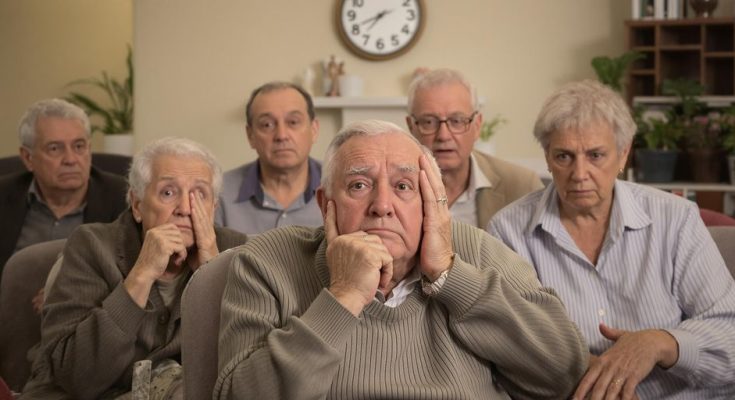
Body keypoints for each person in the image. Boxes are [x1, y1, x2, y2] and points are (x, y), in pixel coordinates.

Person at [214, 120, 588, 399]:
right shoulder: (267, 261)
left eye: (403, 186)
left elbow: (562, 373)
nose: (381, 206)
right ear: (326, 203)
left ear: (432, 201)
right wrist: (343, 297)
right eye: (359, 185)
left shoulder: (475, 249)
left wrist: (450, 276)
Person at [488, 80, 735, 399]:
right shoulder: (508, 232)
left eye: (595, 155)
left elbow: (730, 332)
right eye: (564, 156)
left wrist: (659, 343)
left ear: (623, 154)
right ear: (547, 157)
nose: (579, 173)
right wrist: (593, 373)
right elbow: (509, 345)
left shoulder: (676, 219)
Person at [21, 137, 248, 399]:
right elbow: (77, 376)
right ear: (137, 205)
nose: (185, 209)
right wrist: (141, 274)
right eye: (168, 192)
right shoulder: (91, 246)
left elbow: (240, 369)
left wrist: (212, 274)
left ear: (213, 208)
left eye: (199, 195)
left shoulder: (235, 250)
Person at [0, 98, 127, 277]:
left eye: (79, 146)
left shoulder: (125, 199)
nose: (70, 159)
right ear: (28, 158)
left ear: (89, 149)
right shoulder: (4, 195)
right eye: (54, 149)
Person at [406, 68, 543, 228]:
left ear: (477, 125)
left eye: (457, 121)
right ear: (411, 127)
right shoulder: (388, 189)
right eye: (429, 122)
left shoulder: (523, 186)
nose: (443, 135)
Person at [215, 82, 322, 235]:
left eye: (293, 122)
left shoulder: (342, 186)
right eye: (267, 125)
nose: (281, 135)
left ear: (314, 129)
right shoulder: (219, 193)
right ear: (250, 135)